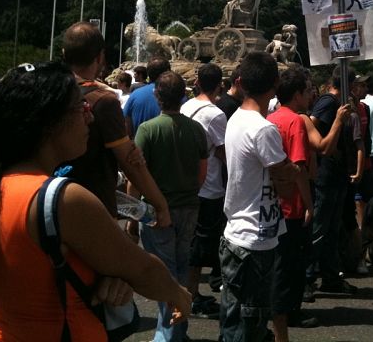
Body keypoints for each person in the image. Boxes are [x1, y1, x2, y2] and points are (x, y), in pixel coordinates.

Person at [0, 62, 191, 341]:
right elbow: (142, 268)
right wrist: (178, 293)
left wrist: (110, 276)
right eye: (81, 108)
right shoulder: (62, 199)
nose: (90, 118)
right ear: (49, 122)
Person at [219, 51, 304, 342]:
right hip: (255, 238)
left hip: (237, 230)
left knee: (235, 320)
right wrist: (291, 171)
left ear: (240, 82)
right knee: (250, 323)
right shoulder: (263, 129)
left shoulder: (236, 119)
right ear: (276, 83)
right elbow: (286, 183)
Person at [61, 22, 170, 226]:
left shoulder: (50, 91)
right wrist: (160, 205)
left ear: (64, 53)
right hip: (93, 206)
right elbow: (129, 162)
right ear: (100, 57)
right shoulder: (104, 101)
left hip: (49, 199)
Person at [130, 71, 208, 342]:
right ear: (183, 96)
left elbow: (137, 173)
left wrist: (132, 213)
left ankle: (168, 334)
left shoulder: (147, 130)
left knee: (164, 271)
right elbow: (203, 169)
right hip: (189, 204)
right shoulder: (196, 129)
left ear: (157, 96)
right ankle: (178, 330)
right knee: (181, 265)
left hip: (157, 210)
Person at [267, 67, 322, 341]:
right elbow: (299, 167)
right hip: (293, 204)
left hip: (273, 202)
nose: (311, 94)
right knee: (290, 265)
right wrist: (310, 204)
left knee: (278, 263)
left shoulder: (271, 117)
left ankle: (278, 311)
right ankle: (286, 313)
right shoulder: (296, 121)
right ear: (297, 94)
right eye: (308, 90)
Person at [308, 67, 362, 297]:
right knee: (320, 228)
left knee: (331, 229)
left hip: (338, 175)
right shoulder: (329, 103)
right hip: (326, 175)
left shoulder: (340, 104)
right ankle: (306, 278)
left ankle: (330, 277)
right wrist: (325, 152)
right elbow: (311, 128)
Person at [182, 63, 228, 317]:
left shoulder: (186, 106)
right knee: (200, 246)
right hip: (209, 184)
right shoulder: (215, 114)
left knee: (190, 240)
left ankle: (190, 292)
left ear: (198, 81)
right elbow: (222, 151)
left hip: (188, 181)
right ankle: (190, 294)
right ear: (220, 84)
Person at [123, 59, 171, 138]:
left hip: (140, 147)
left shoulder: (135, 94)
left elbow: (127, 126)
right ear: (168, 72)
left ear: (148, 73)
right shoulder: (177, 95)